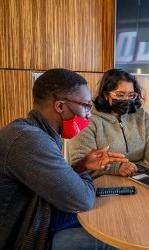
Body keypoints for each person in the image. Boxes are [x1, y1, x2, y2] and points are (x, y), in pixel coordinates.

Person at [0, 68, 128, 250]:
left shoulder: (36, 133)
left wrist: (81, 166)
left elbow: (53, 182)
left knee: (114, 219)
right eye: (85, 106)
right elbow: (82, 199)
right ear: (60, 106)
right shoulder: (28, 140)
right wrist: (83, 175)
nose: (89, 114)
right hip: (27, 236)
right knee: (116, 240)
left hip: (41, 214)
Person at [68, 68, 149, 177]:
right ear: (106, 95)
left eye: (131, 95)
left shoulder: (141, 114)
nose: (126, 99)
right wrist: (116, 167)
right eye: (120, 95)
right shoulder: (86, 117)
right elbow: (81, 161)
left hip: (139, 174)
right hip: (104, 178)